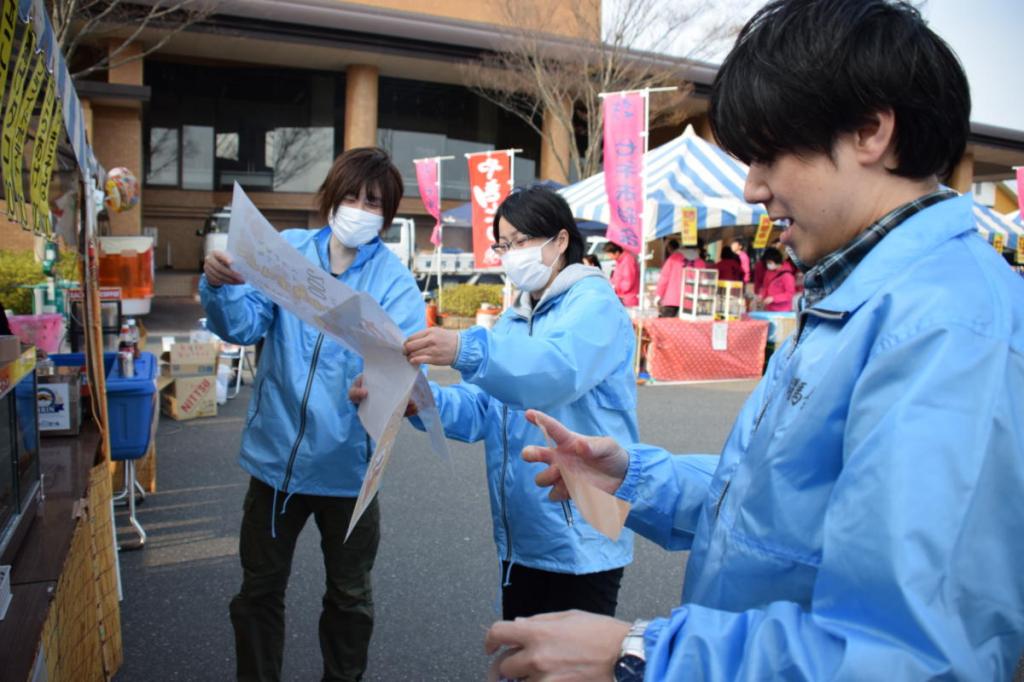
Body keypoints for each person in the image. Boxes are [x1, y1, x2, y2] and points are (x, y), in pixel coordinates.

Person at [483, 1, 1024, 680]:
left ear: (871, 130)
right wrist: (634, 478)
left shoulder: (948, 329)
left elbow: (910, 656)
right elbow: (779, 504)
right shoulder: (858, 297)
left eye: (767, 155)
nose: (751, 187)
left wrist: (641, 652)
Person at [351, 185, 638, 620]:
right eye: (503, 245)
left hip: (583, 533)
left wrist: (467, 349)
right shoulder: (516, 315)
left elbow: (555, 372)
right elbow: (483, 408)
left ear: (560, 241)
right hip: (524, 534)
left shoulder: (594, 304)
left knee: (571, 667)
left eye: (521, 241)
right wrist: (420, 401)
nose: (511, 254)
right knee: (522, 659)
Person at [200, 147, 424, 682]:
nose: (360, 208)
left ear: (388, 216)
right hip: (275, 462)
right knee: (258, 591)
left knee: (349, 598)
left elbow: (413, 364)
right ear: (331, 196)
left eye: (374, 202)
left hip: (350, 473)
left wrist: (388, 387)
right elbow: (243, 326)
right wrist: (220, 287)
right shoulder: (288, 252)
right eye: (352, 195)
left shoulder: (394, 281)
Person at [654, 239, 707, 317]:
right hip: (690, 302)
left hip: (671, 299)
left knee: (667, 327)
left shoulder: (674, 258)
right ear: (698, 249)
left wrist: (659, 294)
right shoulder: (700, 263)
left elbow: (664, 277)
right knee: (685, 328)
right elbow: (703, 283)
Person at [755, 247, 797, 311]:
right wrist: (761, 295)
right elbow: (765, 287)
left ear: (776, 261)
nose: (767, 265)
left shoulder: (787, 275)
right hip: (769, 308)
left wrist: (773, 298)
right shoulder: (768, 273)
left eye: (769, 262)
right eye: (767, 263)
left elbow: (790, 294)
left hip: (783, 310)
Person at [603, 240, 639, 307]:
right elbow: (615, 278)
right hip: (621, 297)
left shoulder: (628, 260)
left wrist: (616, 287)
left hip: (628, 299)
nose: (609, 257)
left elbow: (628, 282)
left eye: (609, 254)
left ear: (616, 252)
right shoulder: (619, 261)